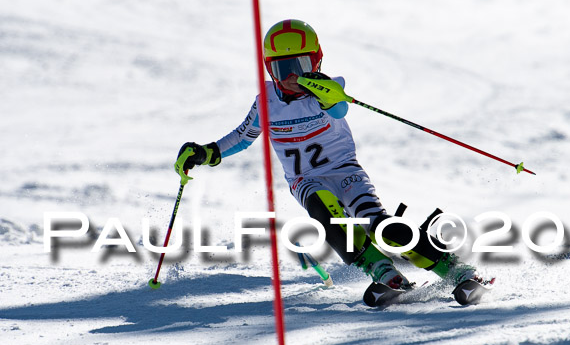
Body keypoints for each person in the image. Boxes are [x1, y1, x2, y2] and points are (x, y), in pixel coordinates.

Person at [173, 19, 489, 305]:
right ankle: (382, 271)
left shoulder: (328, 89)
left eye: (302, 64)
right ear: (271, 70)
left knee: (381, 227)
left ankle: (456, 270)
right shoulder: (266, 103)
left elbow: (338, 108)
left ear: (317, 60)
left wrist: (325, 91)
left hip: (345, 173)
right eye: (285, 69)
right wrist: (206, 152)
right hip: (306, 181)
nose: (294, 76)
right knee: (326, 213)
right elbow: (243, 136)